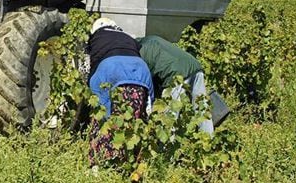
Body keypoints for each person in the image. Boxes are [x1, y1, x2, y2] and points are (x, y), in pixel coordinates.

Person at [86, 17, 154, 165]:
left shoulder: (95, 38)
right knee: (138, 115)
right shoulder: (127, 36)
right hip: (140, 69)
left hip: (109, 68)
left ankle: (100, 161)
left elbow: (91, 66)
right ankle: (133, 160)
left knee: (102, 116)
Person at [137, 35, 213, 135]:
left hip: (175, 75)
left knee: (170, 117)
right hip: (195, 66)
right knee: (202, 107)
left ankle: (168, 147)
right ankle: (208, 139)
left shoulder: (140, 53)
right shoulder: (150, 39)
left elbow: (147, 83)